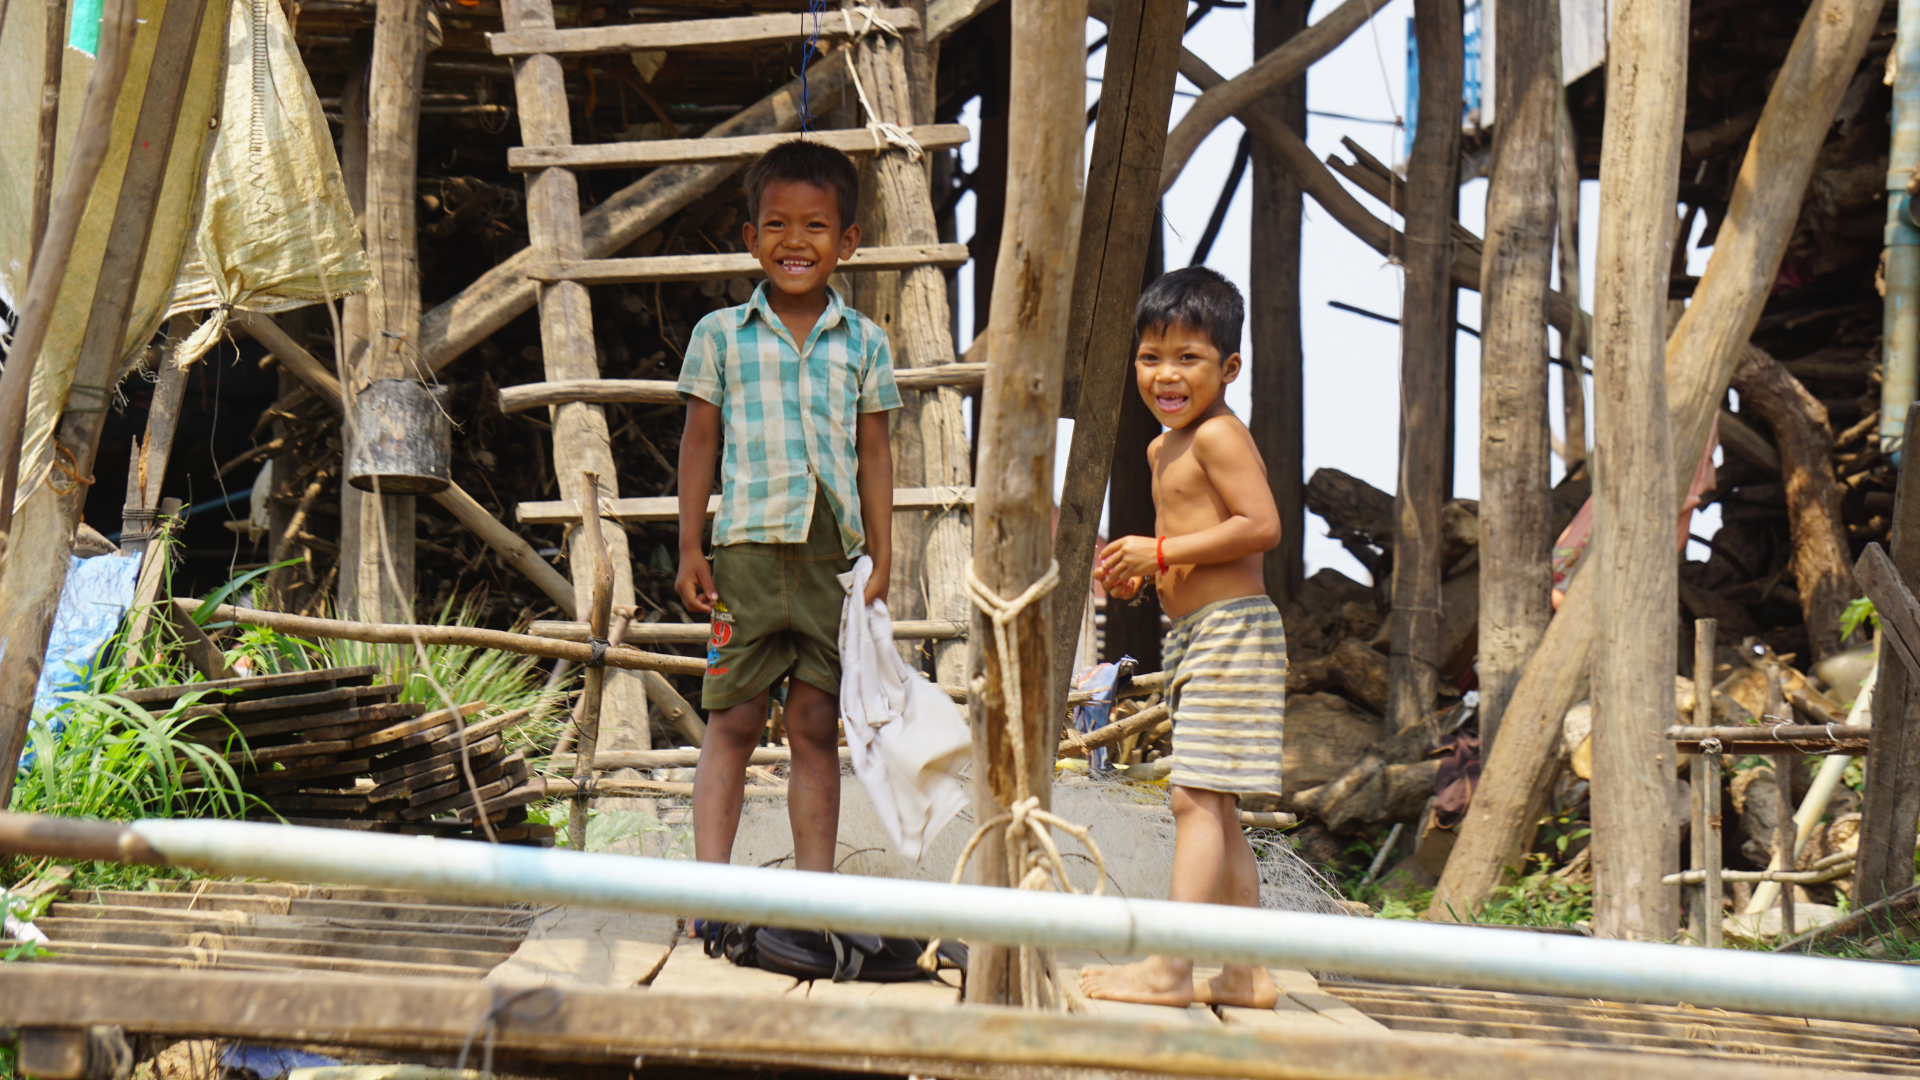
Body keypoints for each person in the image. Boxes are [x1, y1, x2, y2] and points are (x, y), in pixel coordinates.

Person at [674, 141, 900, 897]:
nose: (795, 243)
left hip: (830, 561)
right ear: (750, 238)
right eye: (776, 225)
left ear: (848, 243)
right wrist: (689, 547)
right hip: (743, 552)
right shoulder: (720, 335)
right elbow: (700, 441)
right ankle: (709, 894)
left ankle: (813, 899)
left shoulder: (865, 341)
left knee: (812, 726)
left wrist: (884, 556)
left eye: (815, 227)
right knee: (731, 724)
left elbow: (874, 453)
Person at [1081, 266, 1286, 1009]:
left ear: (1229, 368)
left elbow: (1261, 526)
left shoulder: (1221, 435)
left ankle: (1170, 967)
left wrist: (1160, 552)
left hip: (1235, 632)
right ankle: (1245, 972)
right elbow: (1193, 537)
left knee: (1194, 802)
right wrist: (1145, 573)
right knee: (1215, 806)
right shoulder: (1162, 448)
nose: (1166, 374)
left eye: (1188, 358)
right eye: (1151, 357)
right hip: (1198, 630)